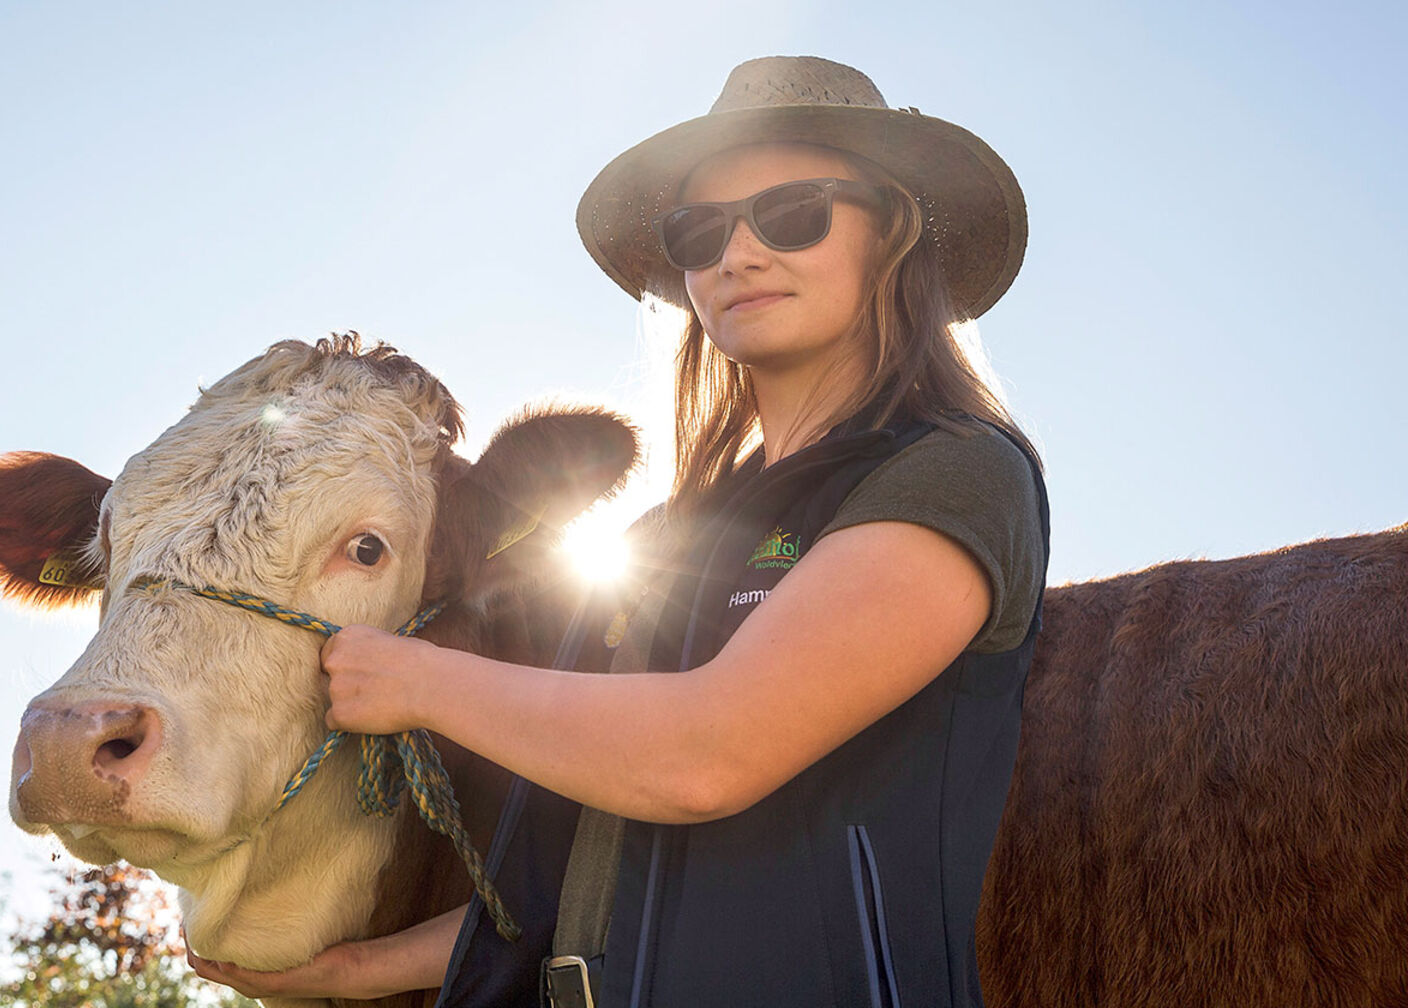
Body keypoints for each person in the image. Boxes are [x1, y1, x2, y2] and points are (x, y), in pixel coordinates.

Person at [190, 55, 1048, 1007]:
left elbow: (704, 758)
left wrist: (418, 681)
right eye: (701, 229)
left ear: (892, 233)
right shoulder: (671, 537)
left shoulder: (953, 472)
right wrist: (356, 971)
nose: (739, 253)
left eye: (793, 212)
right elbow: (587, 873)